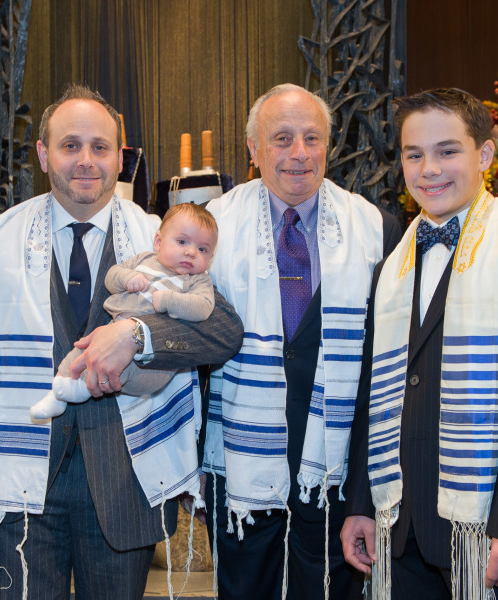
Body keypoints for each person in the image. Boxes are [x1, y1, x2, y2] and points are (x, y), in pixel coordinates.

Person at [0, 83, 243, 600]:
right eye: (70, 145)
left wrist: (136, 333)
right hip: (17, 481)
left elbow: (223, 330)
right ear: (43, 154)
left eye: (100, 147)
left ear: (120, 157)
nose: (87, 161)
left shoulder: (162, 241)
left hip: (123, 483)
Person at [341, 88, 498, 600]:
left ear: (485, 155)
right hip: (398, 529)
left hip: (489, 536)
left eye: (447, 151)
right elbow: (375, 396)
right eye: (413, 154)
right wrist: (361, 502)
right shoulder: (390, 269)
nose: (429, 169)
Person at [202, 83, 402, 600]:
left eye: (312, 138)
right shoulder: (210, 229)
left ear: (329, 146)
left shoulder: (376, 229)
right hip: (240, 465)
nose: (299, 153)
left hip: (334, 466)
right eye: (282, 138)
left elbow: (390, 367)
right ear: (252, 149)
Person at [31, 202, 218, 419]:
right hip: (114, 326)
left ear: (210, 257)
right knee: (82, 349)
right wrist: (127, 278)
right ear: (159, 242)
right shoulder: (144, 259)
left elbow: (204, 308)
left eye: (202, 249)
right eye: (182, 241)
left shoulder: (197, 280)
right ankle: (57, 392)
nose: (191, 252)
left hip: (154, 362)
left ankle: (82, 389)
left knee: (118, 364)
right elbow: (111, 276)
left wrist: (169, 300)